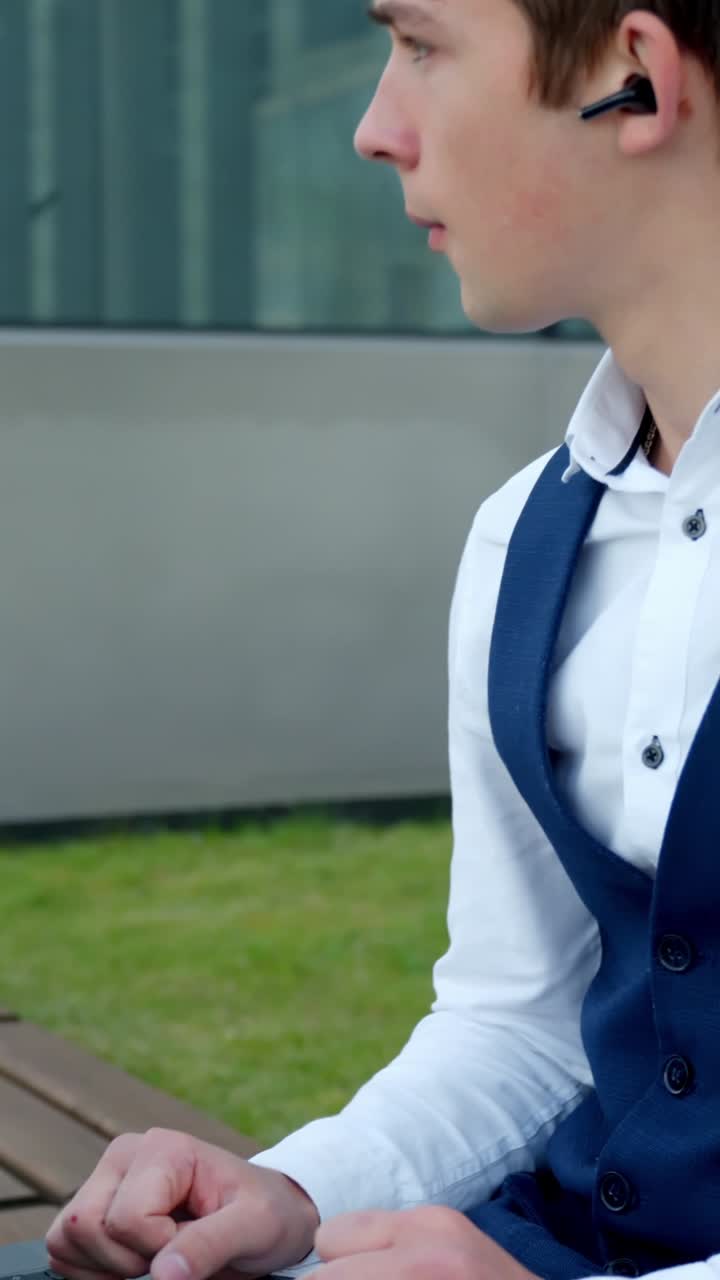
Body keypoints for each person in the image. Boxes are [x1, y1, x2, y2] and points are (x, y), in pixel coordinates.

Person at [45, 0, 720, 1278]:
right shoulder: (523, 537)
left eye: (419, 44)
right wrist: (296, 1186)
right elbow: (522, 1021)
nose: (372, 128)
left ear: (635, 79)